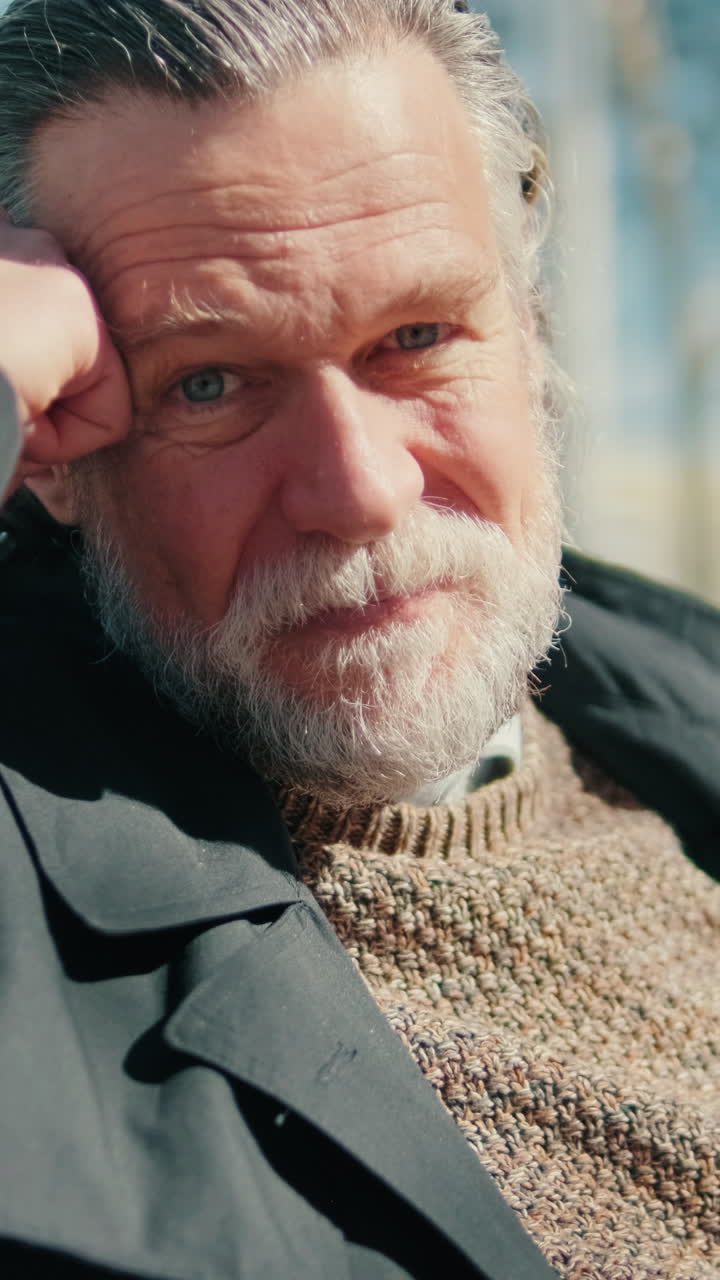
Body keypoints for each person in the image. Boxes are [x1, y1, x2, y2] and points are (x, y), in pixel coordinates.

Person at [0, 1, 717, 1276]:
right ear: (51, 444)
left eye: (416, 337)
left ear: (533, 332)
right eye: (209, 380)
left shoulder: (685, 702)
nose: (361, 489)